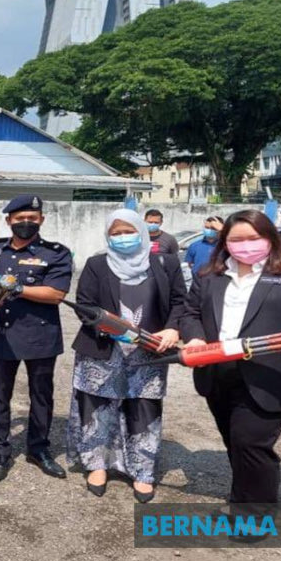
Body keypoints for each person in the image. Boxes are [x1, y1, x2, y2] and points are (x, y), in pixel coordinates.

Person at [180, 209, 281, 511]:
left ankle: (254, 514)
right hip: (217, 370)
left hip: (271, 373)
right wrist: (196, 337)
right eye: (236, 239)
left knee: (251, 443)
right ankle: (242, 496)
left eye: (253, 238)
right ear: (225, 242)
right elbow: (190, 313)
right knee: (234, 441)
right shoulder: (209, 275)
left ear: (270, 237)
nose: (245, 245)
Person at [67, 209, 185, 502]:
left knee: (144, 409)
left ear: (142, 231)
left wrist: (172, 330)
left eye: (128, 231)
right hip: (103, 349)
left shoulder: (165, 263)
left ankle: (142, 471)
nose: (123, 238)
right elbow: (85, 306)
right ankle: (97, 466)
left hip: (151, 350)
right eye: (115, 233)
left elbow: (180, 301)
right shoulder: (97, 264)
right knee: (96, 409)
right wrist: (113, 329)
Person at [0, 194, 73, 483]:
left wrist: (15, 289)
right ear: (9, 221)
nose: (26, 223)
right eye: (19, 219)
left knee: (41, 395)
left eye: (32, 218)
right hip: (2, 334)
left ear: (41, 220)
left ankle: (38, 449)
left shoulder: (56, 253)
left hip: (41, 335)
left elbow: (56, 294)